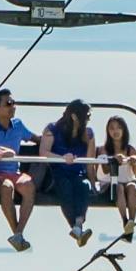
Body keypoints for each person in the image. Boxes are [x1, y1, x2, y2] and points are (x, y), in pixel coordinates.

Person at [0, 90, 39, 251]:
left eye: (13, 103)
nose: (12, 107)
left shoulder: (18, 125)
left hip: (14, 172)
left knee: (29, 185)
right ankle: (16, 232)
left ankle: (19, 233)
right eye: (8, 104)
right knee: (7, 187)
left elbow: (35, 138)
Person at [40, 100, 96, 244]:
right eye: (86, 116)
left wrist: (93, 182)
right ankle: (76, 226)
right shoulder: (52, 129)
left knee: (83, 187)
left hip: (77, 173)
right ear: (74, 117)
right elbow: (43, 152)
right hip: (56, 174)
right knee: (65, 187)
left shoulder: (88, 134)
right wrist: (62, 158)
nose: (88, 119)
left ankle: (78, 225)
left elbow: (90, 161)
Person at [98, 114, 136, 238]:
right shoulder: (104, 149)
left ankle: (131, 221)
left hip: (128, 181)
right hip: (109, 184)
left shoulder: (131, 149)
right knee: (118, 188)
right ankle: (124, 219)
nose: (115, 131)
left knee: (132, 188)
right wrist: (113, 160)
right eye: (112, 128)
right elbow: (105, 170)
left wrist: (134, 161)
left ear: (124, 130)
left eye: (118, 128)